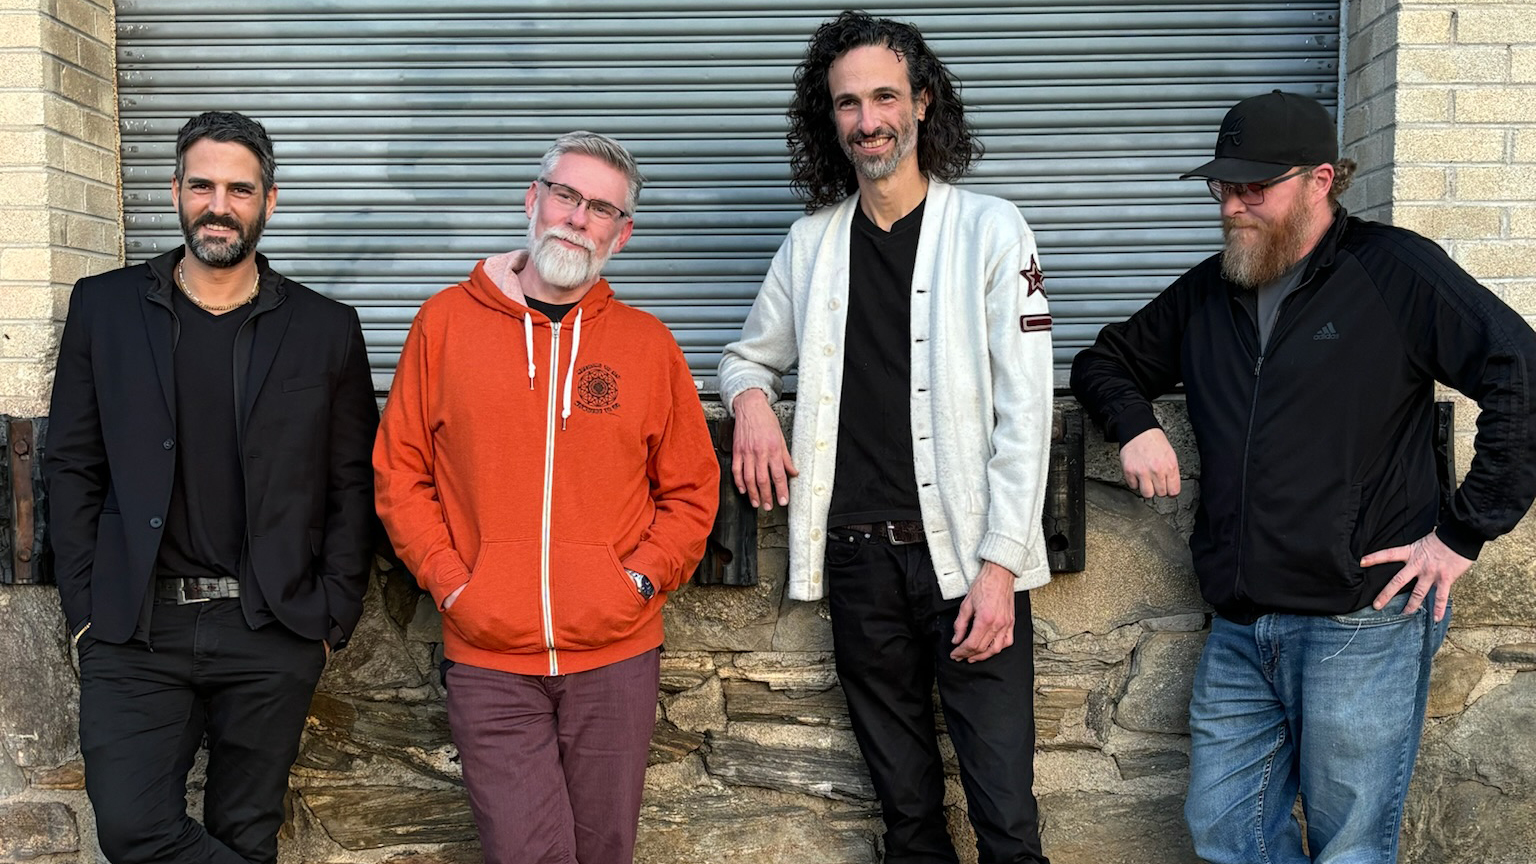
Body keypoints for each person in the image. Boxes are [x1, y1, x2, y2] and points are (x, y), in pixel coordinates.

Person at [1071, 90, 1536, 863]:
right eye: (1223, 187)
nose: (1233, 207)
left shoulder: (1393, 272)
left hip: (1363, 621)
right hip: (1241, 623)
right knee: (1226, 831)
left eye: (1255, 188)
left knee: (1349, 847)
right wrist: (1136, 423)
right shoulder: (1211, 290)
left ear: (1321, 180)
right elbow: (1104, 360)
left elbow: (1520, 368)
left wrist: (1463, 533)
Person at [718, 12, 1054, 863]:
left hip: (969, 562)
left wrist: (1000, 568)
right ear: (828, 119)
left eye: (884, 97)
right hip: (860, 563)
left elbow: (1028, 413)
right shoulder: (811, 245)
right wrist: (751, 402)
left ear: (922, 103)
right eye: (847, 103)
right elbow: (747, 357)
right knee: (906, 820)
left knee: (1006, 818)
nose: (868, 120)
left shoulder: (991, 230)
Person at [373, 131, 719, 864]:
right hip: (490, 660)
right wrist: (454, 584)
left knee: (605, 852)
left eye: (602, 208)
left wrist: (638, 581)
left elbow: (691, 490)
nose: (578, 218)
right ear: (534, 199)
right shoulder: (444, 324)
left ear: (621, 234)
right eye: (566, 195)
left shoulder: (648, 344)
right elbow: (401, 473)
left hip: (615, 660)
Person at [44, 111, 378, 864]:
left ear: (269, 201)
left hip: (272, 626)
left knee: (246, 833)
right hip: (135, 626)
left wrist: (331, 617)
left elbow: (352, 483)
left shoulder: (325, 327)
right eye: (202, 186)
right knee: (132, 829)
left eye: (239, 189)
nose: (218, 206)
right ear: (174, 192)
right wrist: (86, 610)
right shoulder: (104, 307)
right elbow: (72, 463)